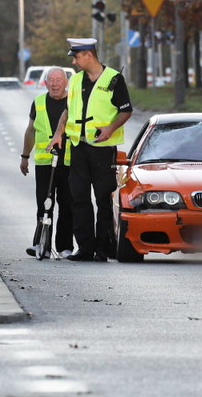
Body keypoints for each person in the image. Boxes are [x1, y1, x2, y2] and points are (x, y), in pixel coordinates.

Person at [49, 38, 133, 262]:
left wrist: (110, 128)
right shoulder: (75, 80)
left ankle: (103, 249)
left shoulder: (114, 79)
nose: (74, 62)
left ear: (88, 55)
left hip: (102, 149)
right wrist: (59, 133)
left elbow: (126, 110)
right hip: (78, 147)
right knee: (79, 198)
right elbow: (68, 112)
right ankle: (85, 248)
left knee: (103, 198)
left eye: (76, 57)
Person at [20, 67, 74, 259]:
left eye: (58, 80)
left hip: (68, 162)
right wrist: (25, 156)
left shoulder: (74, 101)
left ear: (66, 82)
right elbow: (31, 131)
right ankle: (40, 244)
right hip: (44, 162)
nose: (54, 84)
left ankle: (65, 247)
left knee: (67, 205)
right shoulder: (39, 102)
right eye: (50, 80)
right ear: (45, 83)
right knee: (44, 205)